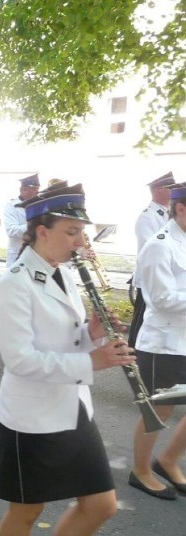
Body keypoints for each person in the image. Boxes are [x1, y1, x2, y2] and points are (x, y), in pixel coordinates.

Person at [0, 183, 125, 536]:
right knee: (27, 511)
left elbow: (65, 339)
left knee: (101, 504)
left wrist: (93, 333)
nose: (80, 241)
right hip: (30, 417)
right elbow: (21, 360)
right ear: (41, 231)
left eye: (80, 232)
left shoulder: (62, 271)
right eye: (72, 232)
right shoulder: (13, 284)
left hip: (72, 408)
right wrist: (91, 360)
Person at [128, 180, 186, 500]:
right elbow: (161, 299)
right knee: (158, 412)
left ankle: (167, 461)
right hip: (163, 343)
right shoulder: (159, 245)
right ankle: (140, 470)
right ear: (180, 209)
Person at [127, 171, 175, 347]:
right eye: (169, 188)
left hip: (164, 275)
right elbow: (150, 250)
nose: (172, 192)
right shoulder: (148, 216)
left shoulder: (166, 214)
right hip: (148, 278)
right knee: (141, 318)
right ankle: (132, 355)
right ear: (159, 190)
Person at [3, 173, 40, 266]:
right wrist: (34, 225)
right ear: (24, 190)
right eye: (34, 189)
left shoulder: (39, 204)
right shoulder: (12, 206)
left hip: (37, 257)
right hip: (18, 257)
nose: (37, 192)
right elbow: (11, 231)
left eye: (37, 189)